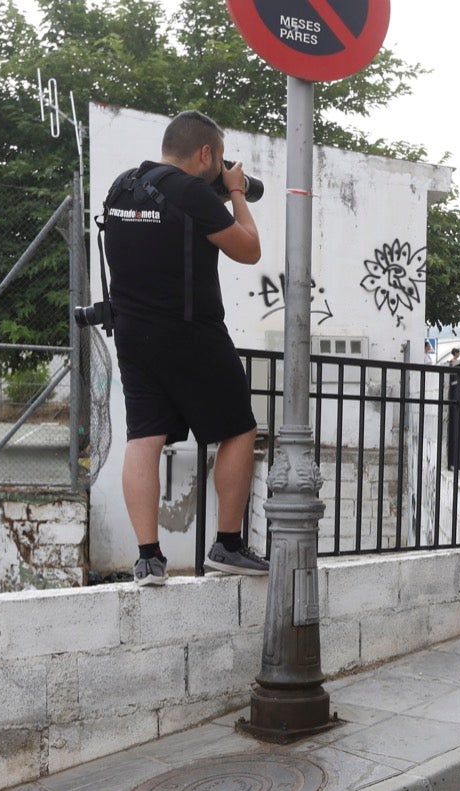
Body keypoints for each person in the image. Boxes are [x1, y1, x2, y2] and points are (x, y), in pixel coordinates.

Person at [103, 109, 266, 587]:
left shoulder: (123, 187)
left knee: (145, 438)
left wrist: (214, 194)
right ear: (206, 153)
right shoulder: (191, 192)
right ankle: (227, 545)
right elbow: (249, 249)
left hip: (131, 333)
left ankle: (148, 559)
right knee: (239, 429)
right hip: (191, 333)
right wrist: (236, 191)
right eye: (219, 158)